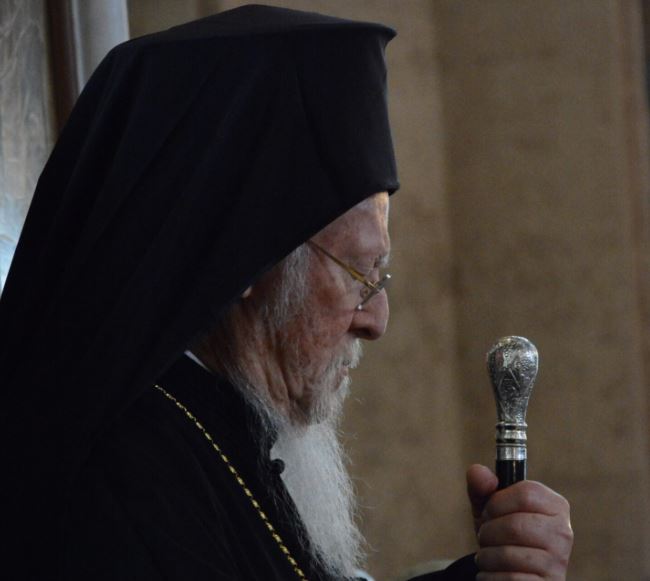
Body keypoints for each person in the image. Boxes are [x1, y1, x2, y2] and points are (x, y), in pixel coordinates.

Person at [0, 5, 572, 580]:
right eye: (359, 272)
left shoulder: (223, 433)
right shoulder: (129, 479)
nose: (377, 318)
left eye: (381, 274)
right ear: (246, 262)